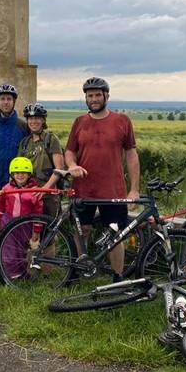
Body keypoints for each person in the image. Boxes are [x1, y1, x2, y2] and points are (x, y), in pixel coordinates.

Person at [64, 77, 140, 283]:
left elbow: (131, 154)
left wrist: (134, 189)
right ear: (85, 98)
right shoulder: (79, 122)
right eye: (90, 95)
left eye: (98, 95)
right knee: (82, 230)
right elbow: (70, 151)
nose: (94, 99)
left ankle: (117, 277)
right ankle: (80, 270)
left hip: (113, 189)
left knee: (116, 234)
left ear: (107, 96)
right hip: (83, 188)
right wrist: (72, 165)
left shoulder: (122, 121)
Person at [0, 84, 30, 253]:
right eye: (2, 99)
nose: (6, 102)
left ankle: (15, 257)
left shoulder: (23, 126)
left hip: (17, 184)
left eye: (9, 99)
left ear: (14, 101)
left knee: (17, 222)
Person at [0, 157, 44, 280]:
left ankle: (23, 272)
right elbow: (0, 205)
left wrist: (36, 231)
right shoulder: (6, 188)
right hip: (8, 222)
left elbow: (38, 212)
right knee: (9, 249)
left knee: (23, 250)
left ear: (29, 174)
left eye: (23, 173)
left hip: (25, 225)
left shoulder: (34, 191)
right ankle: (13, 274)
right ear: (12, 174)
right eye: (17, 173)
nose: (20, 175)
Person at [17, 103, 64, 217]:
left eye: (37, 118)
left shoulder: (51, 139)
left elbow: (60, 168)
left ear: (43, 120)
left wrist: (45, 189)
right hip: (29, 194)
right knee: (29, 225)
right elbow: (18, 169)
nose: (33, 121)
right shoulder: (24, 143)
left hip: (49, 195)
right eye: (30, 118)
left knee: (51, 226)